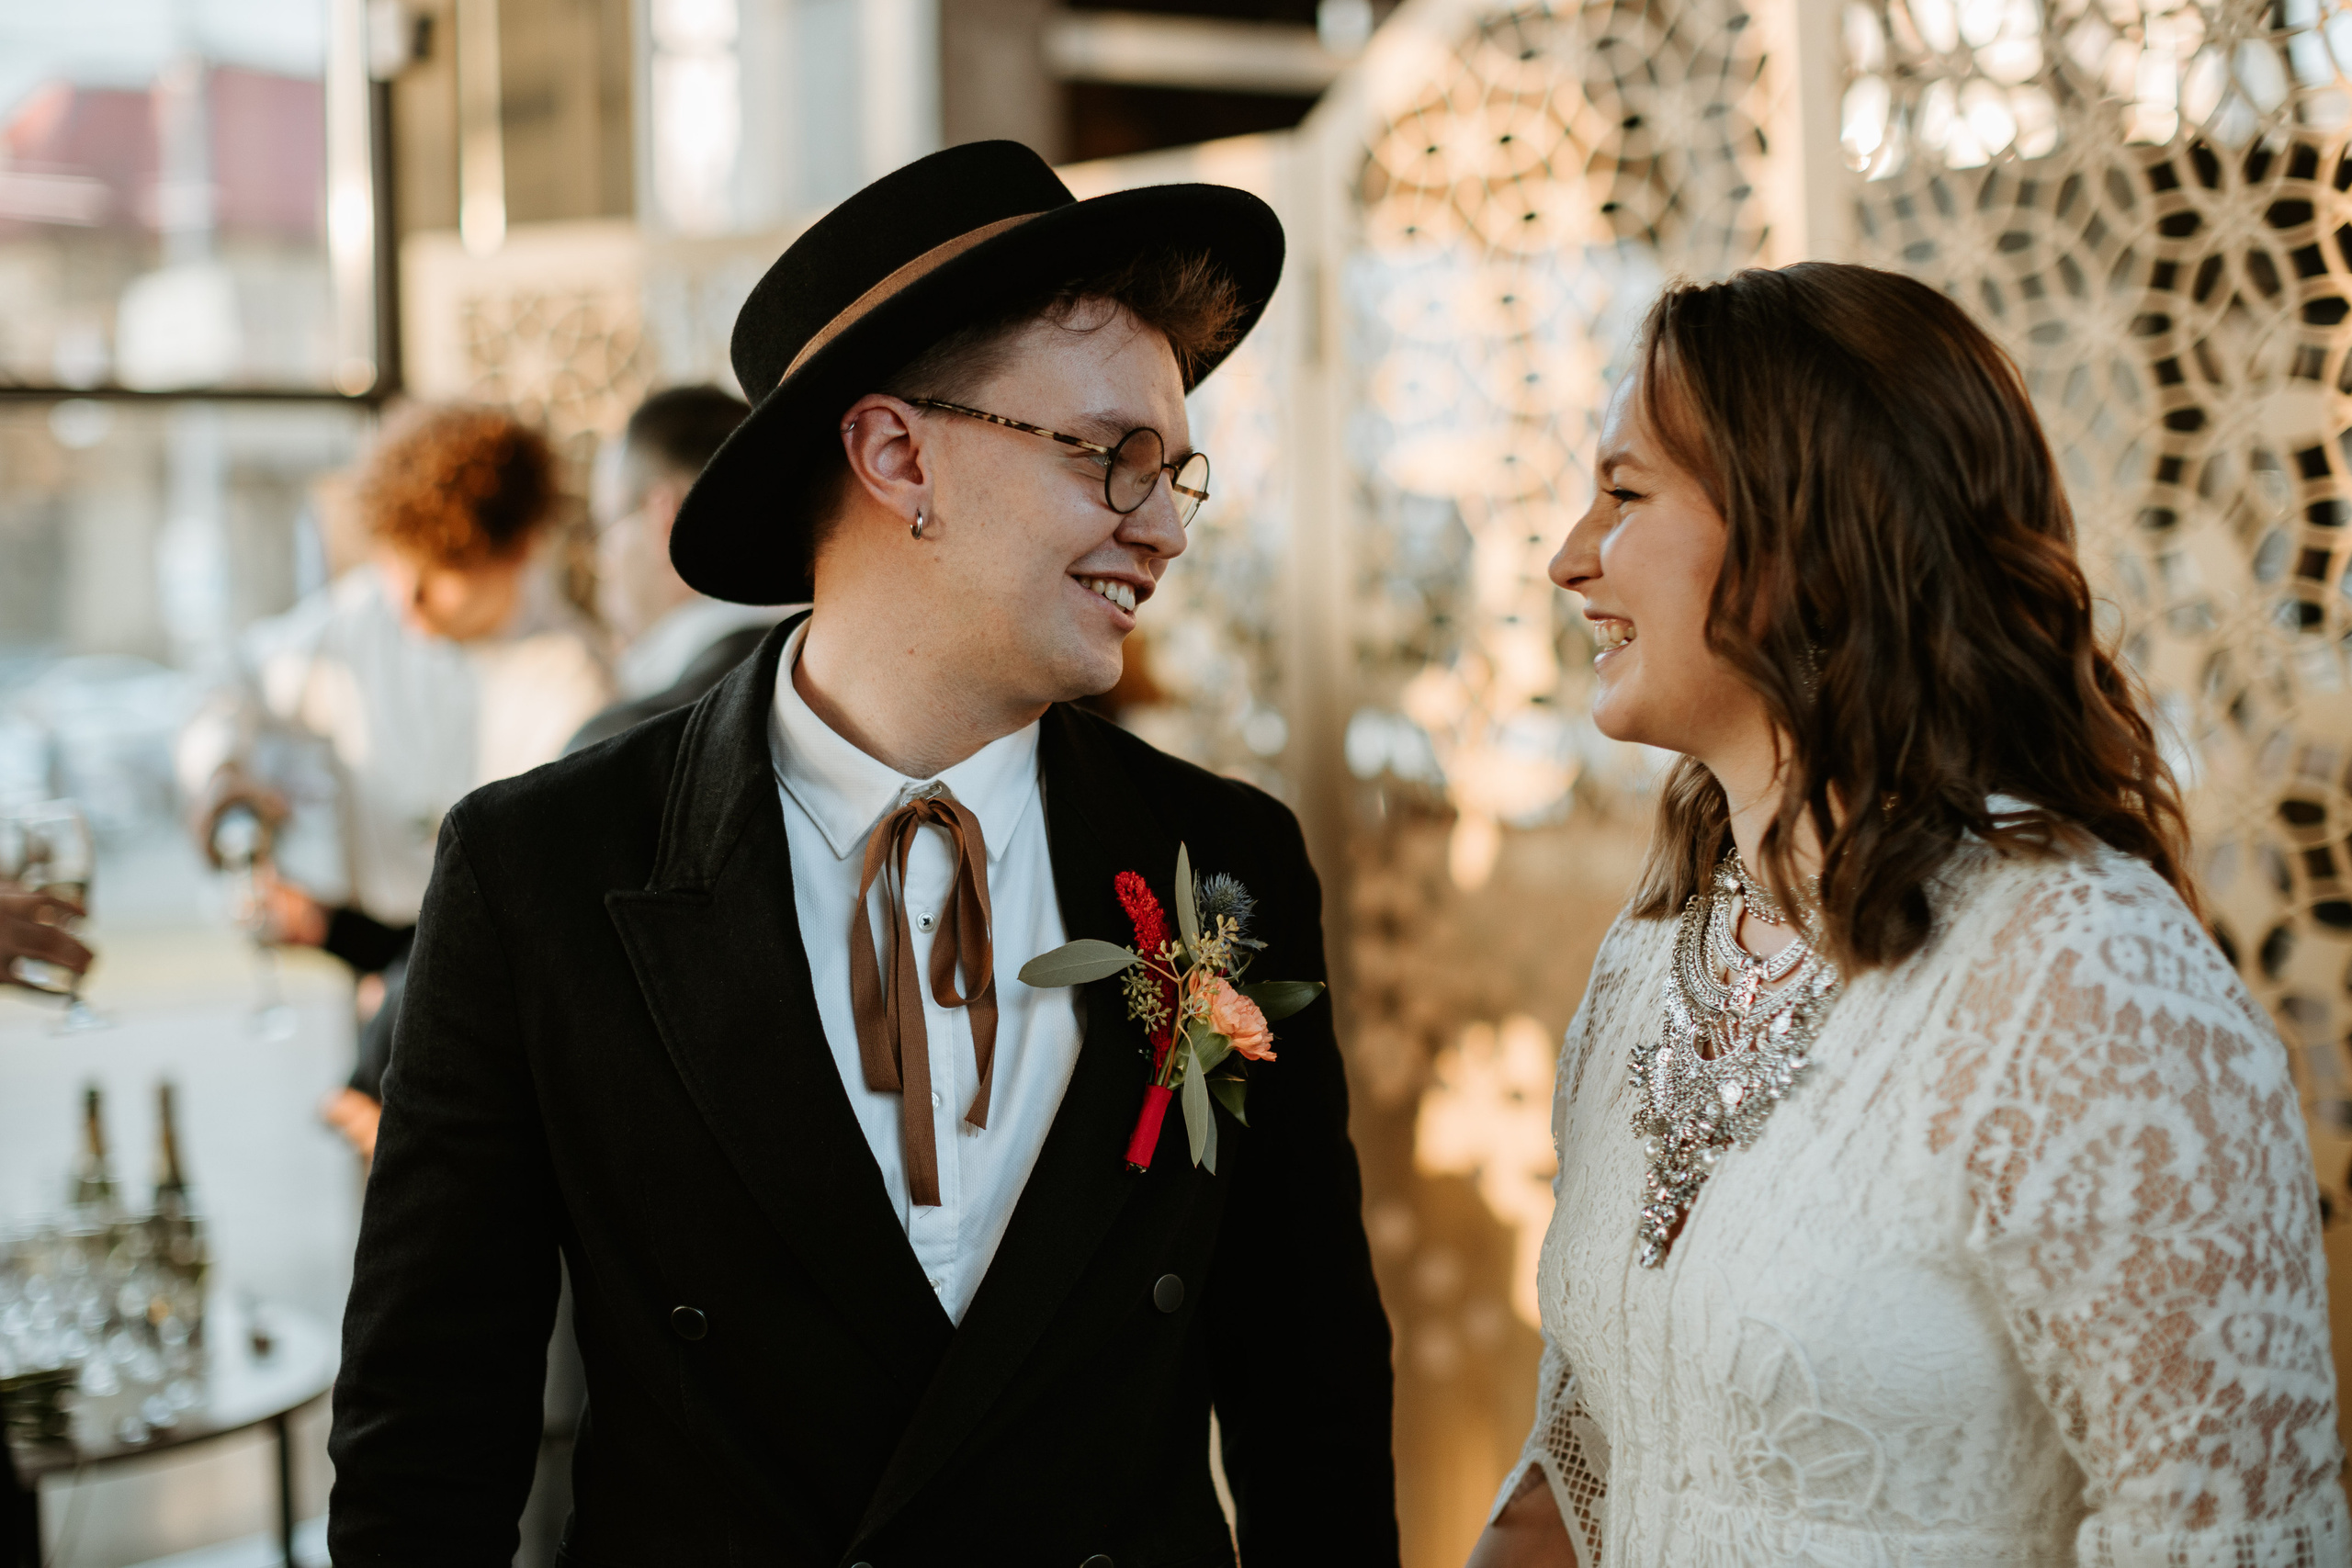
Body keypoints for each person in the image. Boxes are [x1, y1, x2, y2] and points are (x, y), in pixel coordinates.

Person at [326, 141, 1399, 1563]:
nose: (1162, 530)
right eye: (1111, 458)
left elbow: (1308, 1387)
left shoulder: (1224, 857)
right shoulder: (541, 869)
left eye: (1172, 472)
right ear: (897, 454)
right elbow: (427, 1434)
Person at [1469, 263, 2348, 1566]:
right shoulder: (1651, 961)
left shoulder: (2086, 976)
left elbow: (2231, 1538)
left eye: (1627, 491)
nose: (1568, 555)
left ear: (1805, 530)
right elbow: (1592, 1456)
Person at [178, 405, 611, 1157]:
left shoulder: (575, 683)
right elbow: (231, 681)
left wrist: (394, 1021)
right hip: (373, 973)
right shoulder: (360, 623)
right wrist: (221, 776)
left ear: (516, 555)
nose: (405, 605)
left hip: (494, 1013)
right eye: (394, 569)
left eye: (436, 581)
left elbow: (521, 904)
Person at [566, 385, 782, 754]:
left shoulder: (618, 748)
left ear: (664, 519)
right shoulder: (830, 680)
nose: (602, 561)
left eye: (606, 526)